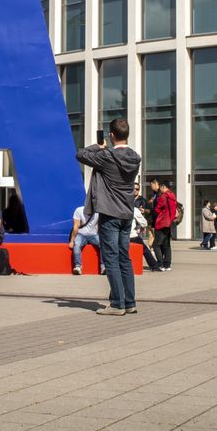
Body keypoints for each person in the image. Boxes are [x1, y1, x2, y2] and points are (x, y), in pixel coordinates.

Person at [77, 118, 142, 316]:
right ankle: (129, 302)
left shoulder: (107, 156)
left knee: (111, 258)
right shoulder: (135, 158)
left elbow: (81, 154)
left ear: (112, 135)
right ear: (127, 135)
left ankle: (116, 304)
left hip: (109, 213)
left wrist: (98, 146)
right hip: (126, 213)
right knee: (125, 258)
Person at [149, 177, 176, 271]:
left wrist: (154, 210)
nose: (160, 188)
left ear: (164, 187)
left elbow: (157, 208)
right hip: (169, 223)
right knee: (166, 245)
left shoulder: (164, 196)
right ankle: (167, 265)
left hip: (162, 222)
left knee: (156, 245)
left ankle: (160, 264)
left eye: (161, 187)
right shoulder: (172, 196)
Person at [69, 203, 100, 275]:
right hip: (81, 234)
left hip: (93, 234)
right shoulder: (79, 210)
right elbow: (76, 227)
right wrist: (72, 241)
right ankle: (78, 267)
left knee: (104, 246)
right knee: (76, 245)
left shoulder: (98, 212)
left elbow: (99, 225)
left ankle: (104, 267)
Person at [131, 199, 159, 271]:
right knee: (145, 249)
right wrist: (139, 227)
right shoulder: (134, 210)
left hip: (118, 236)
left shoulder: (114, 209)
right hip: (131, 236)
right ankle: (154, 266)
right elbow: (144, 223)